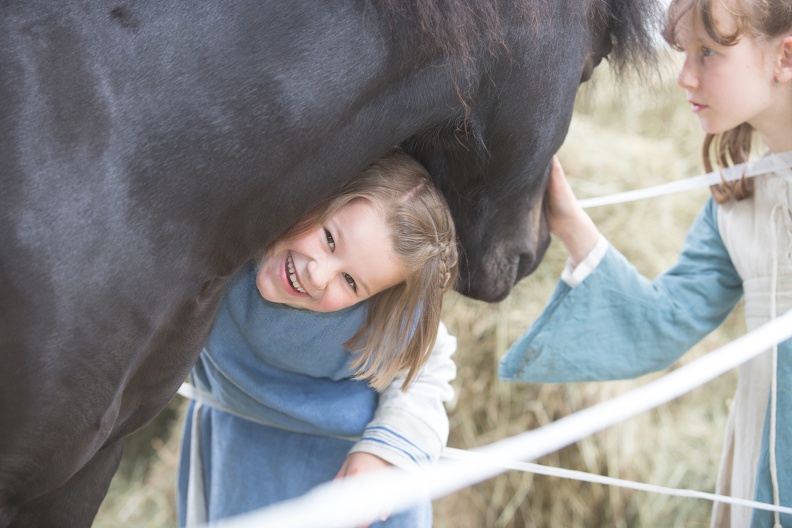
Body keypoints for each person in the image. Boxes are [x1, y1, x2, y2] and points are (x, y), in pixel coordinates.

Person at [499, 1, 792, 527]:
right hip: (763, 463)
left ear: (785, 57)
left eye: (708, 54)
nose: (684, 77)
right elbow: (663, 320)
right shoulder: (736, 201)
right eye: (684, 54)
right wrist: (569, 222)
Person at [177, 148, 459, 527]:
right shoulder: (224, 247)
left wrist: (384, 453)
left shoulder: (377, 317)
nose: (318, 275)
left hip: (348, 484)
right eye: (328, 238)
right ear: (316, 192)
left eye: (351, 282)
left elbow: (426, 372)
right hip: (237, 458)